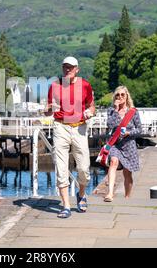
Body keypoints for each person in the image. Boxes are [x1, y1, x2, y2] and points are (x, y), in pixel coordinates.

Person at [45, 56, 95, 218]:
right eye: (65, 67)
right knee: (61, 167)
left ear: (77, 69)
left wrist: (89, 113)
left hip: (79, 127)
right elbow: (47, 110)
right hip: (60, 127)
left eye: (71, 67)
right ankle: (66, 206)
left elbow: (91, 105)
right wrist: (48, 109)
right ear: (62, 68)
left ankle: (81, 193)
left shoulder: (85, 85)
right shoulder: (55, 86)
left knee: (84, 168)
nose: (68, 70)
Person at [104, 86, 142, 202]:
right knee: (113, 162)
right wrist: (116, 110)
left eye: (122, 95)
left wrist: (129, 133)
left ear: (126, 97)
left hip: (129, 145)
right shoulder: (111, 111)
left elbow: (140, 130)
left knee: (127, 173)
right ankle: (110, 194)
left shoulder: (133, 112)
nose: (120, 97)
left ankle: (127, 197)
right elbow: (110, 125)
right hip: (115, 143)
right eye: (117, 95)